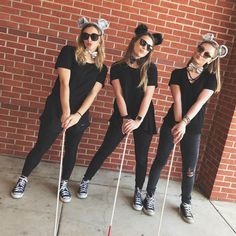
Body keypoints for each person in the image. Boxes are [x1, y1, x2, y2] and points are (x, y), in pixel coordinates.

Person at [11, 17, 109, 203]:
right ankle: (23, 178)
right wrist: (66, 113)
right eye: (86, 35)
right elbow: (64, 83)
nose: (89, 39)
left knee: (71, 150)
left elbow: (92, 95)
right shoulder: (69, 52)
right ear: (81, 36)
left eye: (94, 36)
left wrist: (77, 115)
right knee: (42, 146)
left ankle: (64, 183)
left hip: (79, 114)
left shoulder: (102, 68)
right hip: (57, 109)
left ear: (101, 39)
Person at [143, 33, 228, 223]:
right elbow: (178, 101)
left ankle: (186, 202)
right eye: (200, 49)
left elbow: (199, 103)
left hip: (193, 128)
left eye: (207, 54)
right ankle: (149, 195)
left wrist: (185, 124)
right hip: (172, 123)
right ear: (196, 48)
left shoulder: (211, 78)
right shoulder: (178, 74)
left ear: (212, 59)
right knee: (160, 160)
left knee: (189, 168)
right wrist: (178, 124)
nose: (201, 54)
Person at [77, 24, 163, 211]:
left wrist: (137, 120)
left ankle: (138, 191)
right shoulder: (117, 67)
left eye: (149, 47)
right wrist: (125, 118)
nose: (145, 48)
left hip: (143, 117)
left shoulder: (151, 69)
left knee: (142, 158)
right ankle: (85, 180)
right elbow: (119, 95)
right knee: (105, 149)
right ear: (134, 41)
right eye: (143, 43)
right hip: (122, 115)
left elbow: (148, 97)